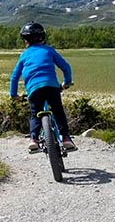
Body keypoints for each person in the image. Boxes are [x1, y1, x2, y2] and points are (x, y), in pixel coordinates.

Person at [9, 22, 76, 153]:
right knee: (58, 111)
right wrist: (66, 82)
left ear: (25, 40)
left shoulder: (24, 55)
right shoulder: (49, 50)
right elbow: (66, 67)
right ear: (42, 37)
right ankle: (66, 138)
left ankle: (33, 140)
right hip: (52, 86)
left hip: (34, 89)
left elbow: (14, 77)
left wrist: (13, 95)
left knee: (35, 114)